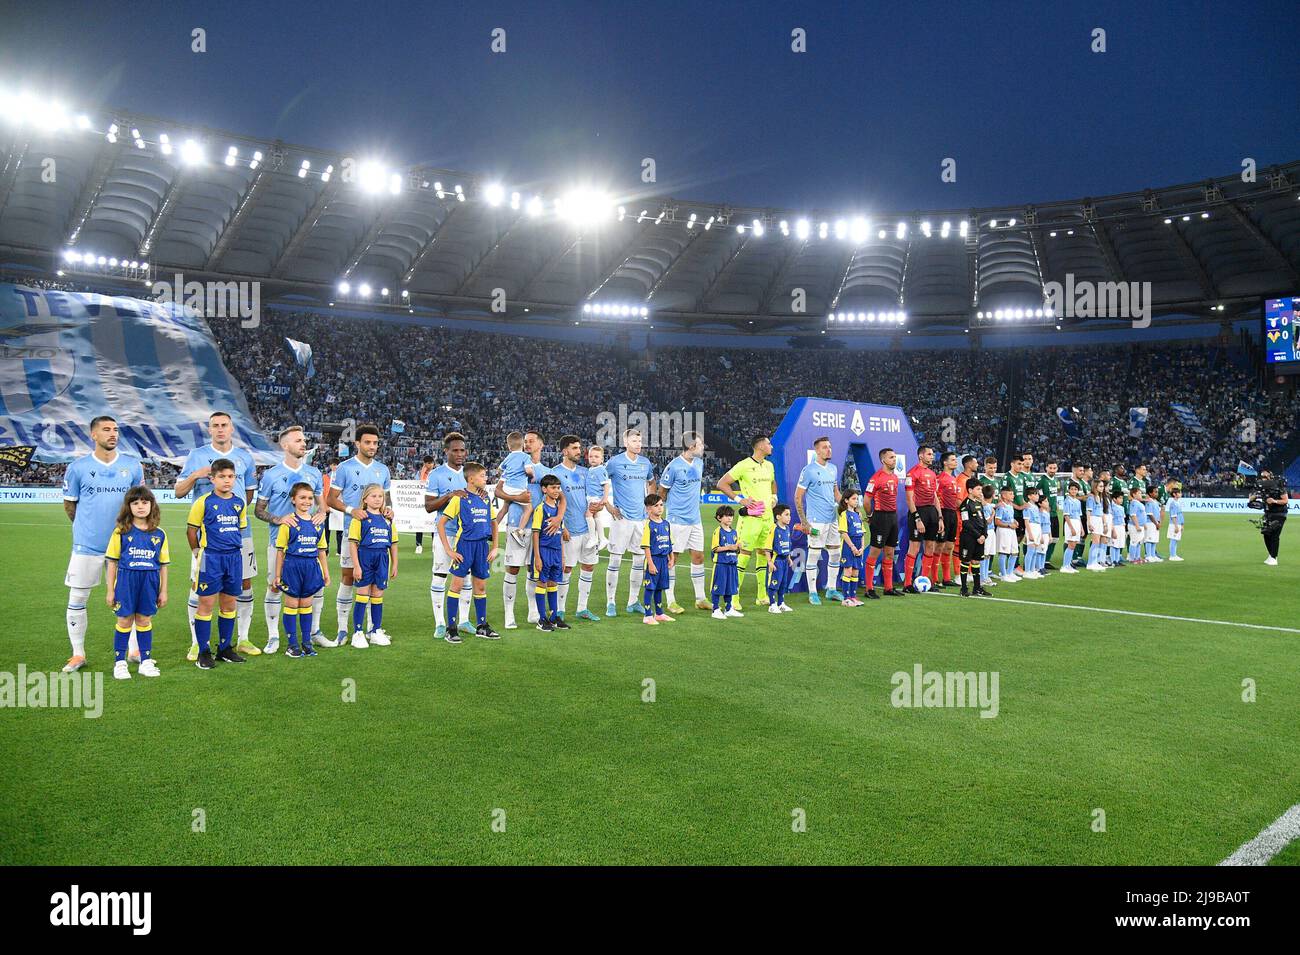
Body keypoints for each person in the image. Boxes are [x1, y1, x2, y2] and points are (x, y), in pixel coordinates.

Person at [60, 415, 145, 672]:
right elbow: (69, 504)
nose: (113, 434)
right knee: (78, 597)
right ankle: (78, 654)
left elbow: (139, 503)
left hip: (125, 545)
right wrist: (87, 529)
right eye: (106, 429)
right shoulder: (78, 468)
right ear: (93, 435)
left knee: (129, 599)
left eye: (115, 430)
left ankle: (134, 649)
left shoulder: (132, 466)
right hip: (87, 546)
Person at [175, 410, 260, 659]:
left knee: (243, 585)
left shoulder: (244, 457)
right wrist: (195, 475)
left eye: (225, 425)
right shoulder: (197, 455)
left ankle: (241, 639)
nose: (221, 429)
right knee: (200, 589)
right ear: (209, 429)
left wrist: (234, 511)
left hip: (239, 534)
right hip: (208, 539)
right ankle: (197, 642)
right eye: (216, 425)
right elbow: (179, 491)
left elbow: (249, 494)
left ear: (232, 428)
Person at [255, 426, 326, 652]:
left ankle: (313, 632)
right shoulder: (271, 475)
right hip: (280, 543)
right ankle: (274, 635)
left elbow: (323, 507)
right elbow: (258, 510)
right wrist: (278, 519)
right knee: (275, 586)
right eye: (298, 440)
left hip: (308, 543)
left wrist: (322, 514)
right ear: (285, 445)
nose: (303, 443)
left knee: (315, 587)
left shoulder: (314, 473)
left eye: (304, 440)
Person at [329, 424, 393, 645]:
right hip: (353, 531)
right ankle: (343, 628)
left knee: (374, 582)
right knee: (350, 577)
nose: (372, 446)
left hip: (375, 535)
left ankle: (372, 629)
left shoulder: (383, 469)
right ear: (357, 443)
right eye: (367, 442)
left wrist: (388, 509)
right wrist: (351, 510)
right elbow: (331, 499)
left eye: (375, 443)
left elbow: (387, 499)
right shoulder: (345, 468)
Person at [188, 458, 249, 669]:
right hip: (210, 558)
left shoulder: (239, 502)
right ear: (212, 479)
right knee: (206, 603)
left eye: (231, 477)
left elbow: (240, 529)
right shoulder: (203, 502)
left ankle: (224, 648)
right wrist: (197, 552)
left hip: (233, 558)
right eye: (222, 477)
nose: (227, 481)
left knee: (230, 603)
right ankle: (203, 652)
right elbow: (191, 530)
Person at [104, 486, 168, 679]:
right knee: (124, 620)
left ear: (151, 505)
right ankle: (119, 663)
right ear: (128, 507)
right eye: (135, 503)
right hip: (126, 580)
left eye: (144, 502)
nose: (140, 506)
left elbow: (163, 565)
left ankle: (145, 661)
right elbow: (112, 562)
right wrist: (110, 590)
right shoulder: (121, 532)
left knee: (144, 620)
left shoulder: (159, 534)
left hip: (149, 581)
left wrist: (163, 591)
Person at [503, 430, 562, 628]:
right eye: (525, 441)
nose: (527, 444)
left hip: (541, 529)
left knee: (534, 569)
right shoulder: (515, 464)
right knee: (512, 568)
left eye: (531, 441)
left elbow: (562, 498)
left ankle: (533, 611)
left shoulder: (546, 471)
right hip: (516, 522)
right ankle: (509, 614)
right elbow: (498, 490)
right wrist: (516, 498)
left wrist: (560, 518)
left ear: (541, 445)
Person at [438, 462, 502, 643]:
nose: (486, 478)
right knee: (456, 586)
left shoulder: (485, 498)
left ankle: (482, 626)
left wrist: (495, 546)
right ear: (471, 479)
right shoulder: (459, 498)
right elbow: (441, 523)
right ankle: (451, 629)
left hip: (482, 547)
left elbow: (493, 522)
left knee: (480, 587)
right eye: (483, 476)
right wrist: (449, 550)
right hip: (464, 546)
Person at [716, 434, 777, 608]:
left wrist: (774, 497)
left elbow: (773, 483)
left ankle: (762, 596)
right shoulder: (744, 465)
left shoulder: (770, 465)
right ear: (760, 447)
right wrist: (739, 500)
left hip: (767, 518)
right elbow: (722, 483)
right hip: (751, 519)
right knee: (743, 556)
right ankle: (734, 598)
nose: (771, 446)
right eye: (768, 443)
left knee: (763, 554)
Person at [274, 482, 330, 658]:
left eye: (310, 498)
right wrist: (277, 575)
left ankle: (306, 642)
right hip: (293, 566)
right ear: (293, 499)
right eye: (302, 497)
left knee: (306, 605)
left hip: (311, 567)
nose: (306, 501)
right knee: (292, 605)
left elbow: (321, 551)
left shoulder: (317, 523)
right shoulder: (288, 522)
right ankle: (292, 645)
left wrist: (326, 573)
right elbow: (280, 552)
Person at [424, 432, 471, 640]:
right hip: (445, 534)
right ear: (446, 451)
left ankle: (464, 620)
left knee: (466, 577)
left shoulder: (471, 472)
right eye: (455, 450)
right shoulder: (436, 475)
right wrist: (450, 495)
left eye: (462, 450)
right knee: (441, 575)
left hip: (467, 536)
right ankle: (440, 623)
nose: (460, 454)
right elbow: (428, 506)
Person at [606, 429, 658, 616]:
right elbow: (600, 481)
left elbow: (651, 482)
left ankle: (633, 601)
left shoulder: (645, 463)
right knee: (615, 560)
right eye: (634, 441)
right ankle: (610, 603)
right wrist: (608, 505)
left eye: (640, 440)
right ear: (625, 442)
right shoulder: (615, 462)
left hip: (641, 519)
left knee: (639, 560)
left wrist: (651, 504)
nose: (638, 444)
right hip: (622, 519)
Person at [659, 431, 710, 613]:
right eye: (700, 444)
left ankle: (700, 598)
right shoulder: (673, 467)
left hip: (695, 519)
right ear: (691, 447)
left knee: (698, 557)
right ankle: (671, 600)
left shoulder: (699, 462)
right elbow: (662, 493)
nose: (703, 447)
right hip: (677, 520)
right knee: (672, 559)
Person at [554, 435, 600, 622]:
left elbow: (593, 497)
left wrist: (598, 506)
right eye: (574, 448)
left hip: (588, 530)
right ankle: (560, 610)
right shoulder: (555, 473)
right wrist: (561, 526)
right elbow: (553, 503)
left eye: (579, 448)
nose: (579, 451)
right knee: (567, 569)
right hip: (569, 531)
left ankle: (582, 608)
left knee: (588, 567)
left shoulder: (586, 472)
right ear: (565, 451)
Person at [348, 483, 398, 647]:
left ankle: (375, 630)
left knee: (377, 595)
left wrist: (394, 564)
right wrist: (356, 566)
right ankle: (358, 632)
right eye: (373, 496)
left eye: (380, 496)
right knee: (363, 594)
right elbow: (353, 544)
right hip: (365, 557)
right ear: (365, 499)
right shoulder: (360, 519)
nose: (377, 499)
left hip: (382, 559)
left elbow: (393, 544)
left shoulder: (388, 519)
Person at [795, 435, 843, 604]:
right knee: (814, 555)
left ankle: (831, 589)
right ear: (816, 450)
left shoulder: (833, 469)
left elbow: (836, 493)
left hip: (832, 519)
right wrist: (804, 521)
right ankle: (813, 592)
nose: (828, 449)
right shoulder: (808, 470)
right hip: (816, 520)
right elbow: (798, 497)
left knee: (835, 554)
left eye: (829, 446)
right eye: (824, 447)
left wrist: (848, 508)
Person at [863, 447, 902, 598]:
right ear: (883, 460)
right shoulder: (876, 478)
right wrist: (870, 515)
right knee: (875, 551)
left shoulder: (895, 477)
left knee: (890, 552)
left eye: (895, 457)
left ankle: (888, 587)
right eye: (891, 457)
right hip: (880, 517)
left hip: (893, 517)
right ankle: (869, 589)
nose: (894, 459)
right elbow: (867, 500)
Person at [531, 475, 566, 632]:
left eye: (558, 487)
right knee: (542, 583)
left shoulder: (559, 510)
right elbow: (535, 533)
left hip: (557, 551)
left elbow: (560, 533)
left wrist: (563, 556)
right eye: (553, 487)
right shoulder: (540, 509)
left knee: (553, 583)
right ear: (544, 490)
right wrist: (537, 556)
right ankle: (541, 618)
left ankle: (554, 617)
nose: (557, 490)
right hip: (544, 551)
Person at [904, 445, 940, 593]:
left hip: (932, 512)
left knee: (930, 546)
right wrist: (917, 518)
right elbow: (909, 499)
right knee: (915, 547)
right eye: (929, 454)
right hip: (918, 512)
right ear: (921, 456)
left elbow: (935, 496)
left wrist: (940, 517)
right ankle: (907, 584)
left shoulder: (932, 474)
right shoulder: (912, 473)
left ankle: (925, 580)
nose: (932, 456)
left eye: (932, 454)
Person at [640, 493, 674, 624]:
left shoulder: (666, 524)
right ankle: (647, 615)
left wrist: (671, 559)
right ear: (648, 508)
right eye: (656, 506)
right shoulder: (648, 525)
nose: (660, 508)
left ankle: (659, 613)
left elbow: (670, 543)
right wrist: (651, 564)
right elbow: (646, 546)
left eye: (661, 505)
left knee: (660, 587)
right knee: (650, 588)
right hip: (653, 559)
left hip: (663, 560)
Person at [958, 480, 991, 597]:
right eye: (978, 489)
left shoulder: (979, 503)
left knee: (976, 561)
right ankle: (963, 588)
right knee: (966, 561)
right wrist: (978, 536)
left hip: (980, 538)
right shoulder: (965, 505)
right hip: (969, 538)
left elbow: (983, 521)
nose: (980, 491)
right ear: (970, 490)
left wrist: (984, 535)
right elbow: (966, 523)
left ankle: (977, 588)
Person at [710, 505, 743, 619]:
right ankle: (715, 609)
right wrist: (730, 547)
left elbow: (736, 549)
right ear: (719, 518)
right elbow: (715, 548)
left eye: (731, 516)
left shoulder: (734, 532)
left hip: (732, 564)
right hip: (721, 564)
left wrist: (738, 547)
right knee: (718, 587)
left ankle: (729, 608)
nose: (730, 518)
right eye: (727, 516)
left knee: (730, 587)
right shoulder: (718, 531)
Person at [935, 452, 963, 589]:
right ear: (945, 463)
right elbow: (934, 498)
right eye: (952, 460)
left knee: (949, 546)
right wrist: (939, 516)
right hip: (943, 513)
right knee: (939, 546)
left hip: (953, 514)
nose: (955, 462)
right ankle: (934, 578)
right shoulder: (940, 479)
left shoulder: (954, 479)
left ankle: (946, 578)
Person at [836, 490, 865, 606]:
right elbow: (843, 532)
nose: (856, 501)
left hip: (858, 546)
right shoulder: (844, 514)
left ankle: (853, 597)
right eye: (853, 499)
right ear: (846, 500)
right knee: (847, 570)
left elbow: (862, 532)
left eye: (857, 499)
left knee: (855, 571)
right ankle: (845, 598)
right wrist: (852, 546)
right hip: (849, 547)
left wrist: (862, 547)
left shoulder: (858, 515)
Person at [764, 504, 796, 612]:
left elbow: (787, 545)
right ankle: (772, 605)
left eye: (789, 515)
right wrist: (769, 562)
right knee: (774, 583)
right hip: (776, 560)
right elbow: (767, 547)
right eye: (786, 515)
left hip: (784, 560)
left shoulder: (787, 529)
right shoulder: (773, 529)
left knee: (783, 583)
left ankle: (781, 603)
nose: (789, 517)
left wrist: (789, 558)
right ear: (778, 517)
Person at [586, 444, 613, 553]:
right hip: (590, 497)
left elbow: (606, 484)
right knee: (596, 517)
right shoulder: (591, 469)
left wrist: (604, 499)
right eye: (591, 456)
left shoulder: (600, 469)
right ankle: (602, 538)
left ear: (602, 459)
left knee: (588, 515)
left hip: (596, 497)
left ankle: (593, 538)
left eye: (596, 457)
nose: (593, 459)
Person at [1259, 469, 1289, 565]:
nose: (1263, 478)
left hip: (1279, 514)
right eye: (1262, 476)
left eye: (1265, 476)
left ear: (1270, 477)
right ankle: (1271, 555)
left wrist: (1274, 501)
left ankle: (1274, 557)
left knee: (1275, 535)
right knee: (1266, 533)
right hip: (1268, 514)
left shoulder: (1279, 486)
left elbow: (1285, 500)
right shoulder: (1262, 488)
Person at [994, 486, 1020, 582]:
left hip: (1011, 531)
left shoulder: (1010, 505)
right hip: (1004, 531)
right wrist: (1009, 525)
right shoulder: (1001, 507)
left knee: (1014, 552)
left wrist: (1015, 521)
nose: (1013, 495)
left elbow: (1010, 518)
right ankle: (1003, 575)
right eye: (1011, 494)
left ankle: (1009, 573)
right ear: (1004, 495)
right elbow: (997, 521)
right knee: (1003, 552)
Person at [414, 455, 435, 554]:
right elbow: (418, 484)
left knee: (433, 523)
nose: (430, 465)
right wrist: (423, 472)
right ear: (424, 463)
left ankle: (434, 545)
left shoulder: (435, 474)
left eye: (431, 463)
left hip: (431, 500)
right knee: (419, 523)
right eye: (428, 463)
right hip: (420, 502)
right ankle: (419, 545)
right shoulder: (418, 474)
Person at [1061, 482, 1083, 574]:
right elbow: (1066, 516)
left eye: (1075, 489)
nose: (1074, 491)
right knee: (1070, 544)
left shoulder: (1078, 501)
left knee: (1073, 545)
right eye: (1072, 489)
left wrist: (1081, 528)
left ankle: (1068, 565)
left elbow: (1079, 515)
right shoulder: (1067, 501)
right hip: (1071, 523)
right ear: (1069, 490)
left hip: (1077, 522)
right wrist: (1072, 528)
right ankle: (1064, 566)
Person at [1021, 487, 1043, 579]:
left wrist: (1040, 534)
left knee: (1034, 551)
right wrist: (1029, 534)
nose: (1037, 496)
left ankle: (1032, 570)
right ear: (1029, 496)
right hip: (1031, 527)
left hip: (1037, 528)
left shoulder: (1036, 507)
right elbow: (1026, 521)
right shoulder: (1027, 507)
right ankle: (1027, 571)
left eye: (1037, 494)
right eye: (1035, 494)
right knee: (1030, 551)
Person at [1127, 487, 1148, 564]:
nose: (1141, 494)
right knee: (1134, 541)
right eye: (1139, 493)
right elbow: (1133, 515)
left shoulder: (1138, 503)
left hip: (1140, 525)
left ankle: (1137, 557)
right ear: (1134, 494)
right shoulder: (1134, 503)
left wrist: (1144, 524)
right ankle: (1132, 558)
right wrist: (1137, 526)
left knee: (1139, 542)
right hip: (1135, 526)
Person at [1143, 486, 1162, 561]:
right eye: (1155, 492)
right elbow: (1150, 514)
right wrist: (1156, 523)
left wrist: (1159, 522)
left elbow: (1158, 513)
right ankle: (1148, 555)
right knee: (1149, 539)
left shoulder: (1156, 502)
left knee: (1154, 539)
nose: (1157, 493)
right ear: (1150, 493)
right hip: (1150, 523)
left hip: (1155, 523)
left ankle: (1153, 555)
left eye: (1157, 492)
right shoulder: (1149, 502)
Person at [1166, 483, 1185, 561]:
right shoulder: (1173, 503)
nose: (1181, 494)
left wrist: (1182, 525)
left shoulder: (1178, 502)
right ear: (1174, 494)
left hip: (1178, 523)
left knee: (1176, 539)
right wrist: (1176, 526)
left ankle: (1174, 554)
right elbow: (1173, 516)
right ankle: (1172, 555)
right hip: (1174, 524)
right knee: (1173, 539)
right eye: (1179, 493)